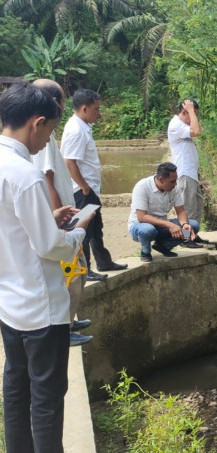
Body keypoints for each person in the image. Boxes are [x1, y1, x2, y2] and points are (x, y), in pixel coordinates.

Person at [0, 82, 112, 453]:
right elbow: (49, 247)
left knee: (16, 382)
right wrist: (76, 231)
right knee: (48, 389)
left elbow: (18, 230)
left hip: (9, 300)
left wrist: (50, 221)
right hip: (39, 302)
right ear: (37, 122)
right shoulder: (24, 174)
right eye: (48, 133)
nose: (48, 141)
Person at [31, 79, 92, 347]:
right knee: (71, 275)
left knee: (77, 272)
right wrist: (60, 214)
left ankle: (69, 321)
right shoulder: (44, 136)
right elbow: (48, 177)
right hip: (60, 219)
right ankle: (65, 329)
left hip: (60, 216)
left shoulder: (47, 133)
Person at [61, 88, 127, 280]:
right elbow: (69, 161)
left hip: (88, 188)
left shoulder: (80, 126)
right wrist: (84, 187)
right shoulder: (76, 130)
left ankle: (103, 261)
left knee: (96, 227)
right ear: (84, 108)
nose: (99, 113)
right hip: (82, 191)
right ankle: (85, 269)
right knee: (84, 229)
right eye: (96, 109)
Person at [128, 162, 201, 262]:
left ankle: (163, 246)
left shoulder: (173, 189)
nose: (175, 184)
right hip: (140, 227)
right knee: (148, 230)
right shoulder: (142, 187)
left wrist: (184, 224)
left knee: (193, 226)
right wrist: (170, 225)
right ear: (161, 179)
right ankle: (145, 251)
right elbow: (142, 217)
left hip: (162, 227)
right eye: (172, 181)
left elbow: (181, 211)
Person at [168, 98, 207, 245]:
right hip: (184, 174)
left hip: (190, 174)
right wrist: (191, 110)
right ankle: (185, 238)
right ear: (185, 112)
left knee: (197, 206)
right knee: (187, 209)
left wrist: (192, 113)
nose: (193, 119)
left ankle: (193, 235)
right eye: (192, 115)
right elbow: (197, 131)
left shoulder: (182, 125)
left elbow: (197, 128)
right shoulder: (176, 125)